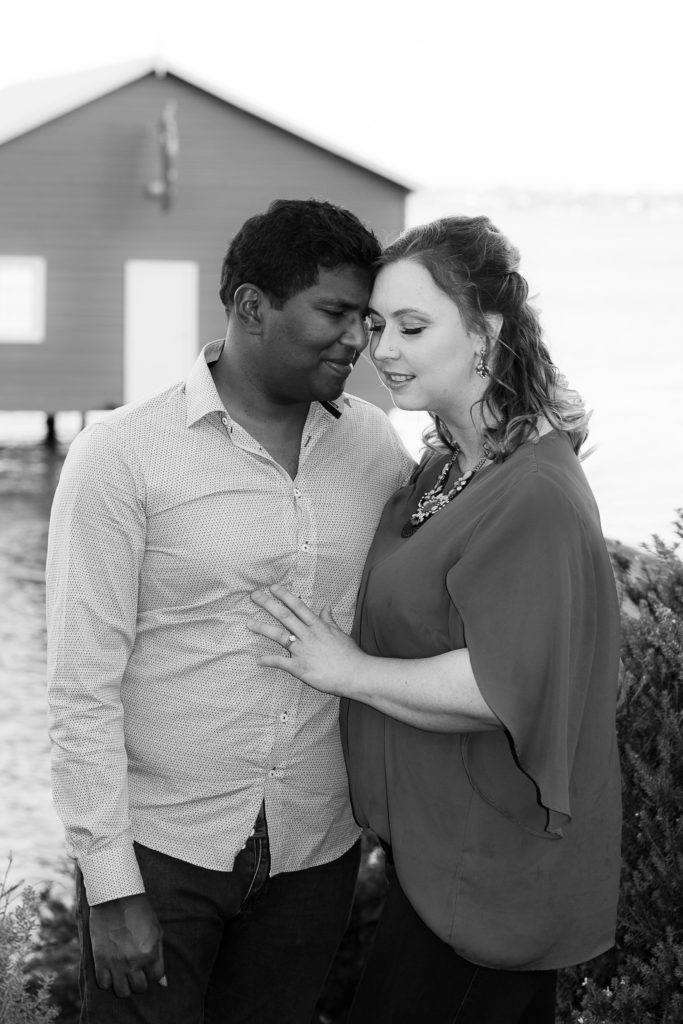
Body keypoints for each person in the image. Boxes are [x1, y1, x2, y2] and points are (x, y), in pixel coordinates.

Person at [46, 198, 414, 1024]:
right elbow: (80, 684)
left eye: (371, 316)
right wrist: (109, 889)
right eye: (336, 313)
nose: (360, 340)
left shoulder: (378, 448)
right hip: (161, 853)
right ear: (252, 306)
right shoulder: (122, 455)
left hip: (314, 851)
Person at [248, 215, 622, 1024]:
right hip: (441, 859)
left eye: (413, 328)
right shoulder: (447, 466)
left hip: (494, 877)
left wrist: (343, 668)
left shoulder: (533, 492)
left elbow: (500, 684)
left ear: (486, 334)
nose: (381, 351)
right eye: (376, 326)